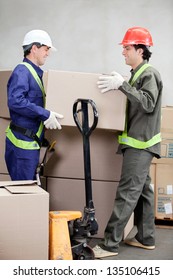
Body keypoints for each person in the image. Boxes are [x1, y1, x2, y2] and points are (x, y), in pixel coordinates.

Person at [93, 26, 163, 258]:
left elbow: (148, 104)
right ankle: (146, 238)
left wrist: (122, 85)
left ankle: (109, 244)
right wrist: (124, 82)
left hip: (140, 145)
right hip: (138, 143)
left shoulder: (148, 73)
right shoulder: (137, 74)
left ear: (140, 50)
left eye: (127, 47)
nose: (123, 52)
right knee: (142, 192)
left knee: (126, 193)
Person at [5, 29, 63, 180]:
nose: (47, 53)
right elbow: (15, 101)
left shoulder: (35, 73)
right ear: (34, 48)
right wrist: (45, 114)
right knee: (23, 195)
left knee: (28, 193)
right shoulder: (22, 71)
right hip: (22, 146)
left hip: (29, 144)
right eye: (46, 49)